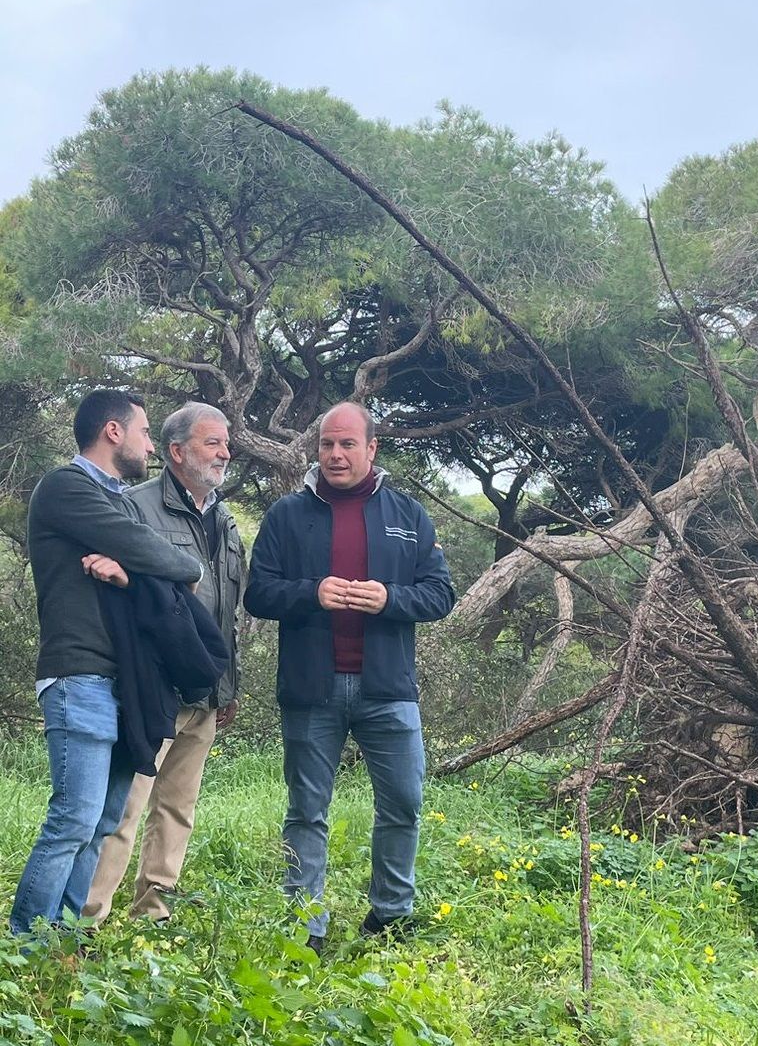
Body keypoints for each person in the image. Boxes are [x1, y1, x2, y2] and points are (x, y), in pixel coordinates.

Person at [244, 402, 453, 953]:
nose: (335, 455)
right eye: (327, 445)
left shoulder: (407, 515)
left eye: (347, 445)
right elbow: (259, 593)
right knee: (307, 810)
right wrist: (310, 592)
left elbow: (440, 594)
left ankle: (390, 915)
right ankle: (305, 925)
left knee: (403, 804)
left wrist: (390, 599)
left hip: (389, 690)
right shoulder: (287, 515)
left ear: (371, 449)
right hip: (311, 690)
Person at [9, 389, 204, 936]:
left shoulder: (116, 500)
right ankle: (24, 948)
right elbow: (148, 550)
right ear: (113, 432)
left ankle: (65, 947)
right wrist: (182, 565)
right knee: (73, 818)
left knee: (101, 823)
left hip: (126, 684)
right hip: (79, 676)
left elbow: (137, 557)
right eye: (144, 432)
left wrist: (133, 571)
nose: (150, 443)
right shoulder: (66, 488)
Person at [83, 403, 245, 923]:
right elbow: (119, 594)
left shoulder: (225, 519)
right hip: (152, 688)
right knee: (124, 810)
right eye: (211, 443)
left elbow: (227, 614)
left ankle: (152, 916)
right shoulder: (133, 507)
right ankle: (88, 920)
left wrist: (229, 685)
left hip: (206, 691)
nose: (225, 452)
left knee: (178, 809)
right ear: (176, 451)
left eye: (225, 443)